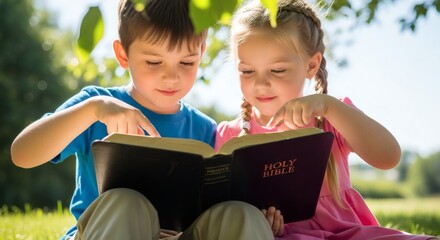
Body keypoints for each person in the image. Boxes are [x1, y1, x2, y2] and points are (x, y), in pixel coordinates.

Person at [10, 0, 273, 239]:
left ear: (201, 53)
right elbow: (22, 153)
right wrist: (91, 110)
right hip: (108, 230)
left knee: (241, 213)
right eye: (154, 62)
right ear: (123, 55)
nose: (172, 77)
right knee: (127, 202)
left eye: (186, 63)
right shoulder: (97, 105)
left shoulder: (205, 129)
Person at [215, 0, 439, 239]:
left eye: (278, 70)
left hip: (350, 234)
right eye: (247, 71)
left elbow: (388, 156)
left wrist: (330, 106)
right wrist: (260, 221)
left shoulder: (330, 116)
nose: (260, 83)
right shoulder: (230, 135)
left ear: (311, 65)